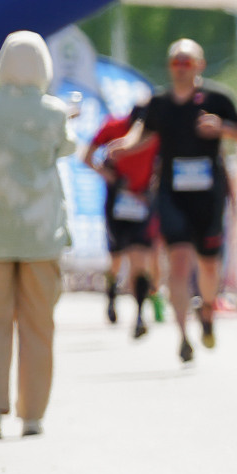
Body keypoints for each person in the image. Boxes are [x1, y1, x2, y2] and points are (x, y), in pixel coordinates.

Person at [0, 32, 73, 439]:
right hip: (42, 234)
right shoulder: (55, 112)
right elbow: (65, 149)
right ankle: (33, 415)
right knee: (39, 325)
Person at [112, 39, 237, 364]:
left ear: (200, 66)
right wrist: (123, 147)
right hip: (172, 191)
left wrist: (224, 129)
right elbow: (142, 134)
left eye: (187, 62)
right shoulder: (159, 103)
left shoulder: (216, 98)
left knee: (208, 263)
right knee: (177, 260)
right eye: (175, 61)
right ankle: (182, 335)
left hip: (208, 193)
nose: (180, 67)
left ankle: (206, 311)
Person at [86, 98, 162, 336]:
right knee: (116, 256)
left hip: (141, 201)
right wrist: (110, 177)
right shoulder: (113, 127)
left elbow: (162, 165)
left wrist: (152, 188)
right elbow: (86, 156)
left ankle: (140, 313)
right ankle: (111, 293)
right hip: (117, 201)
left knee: (140, 258)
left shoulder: (158, 133)